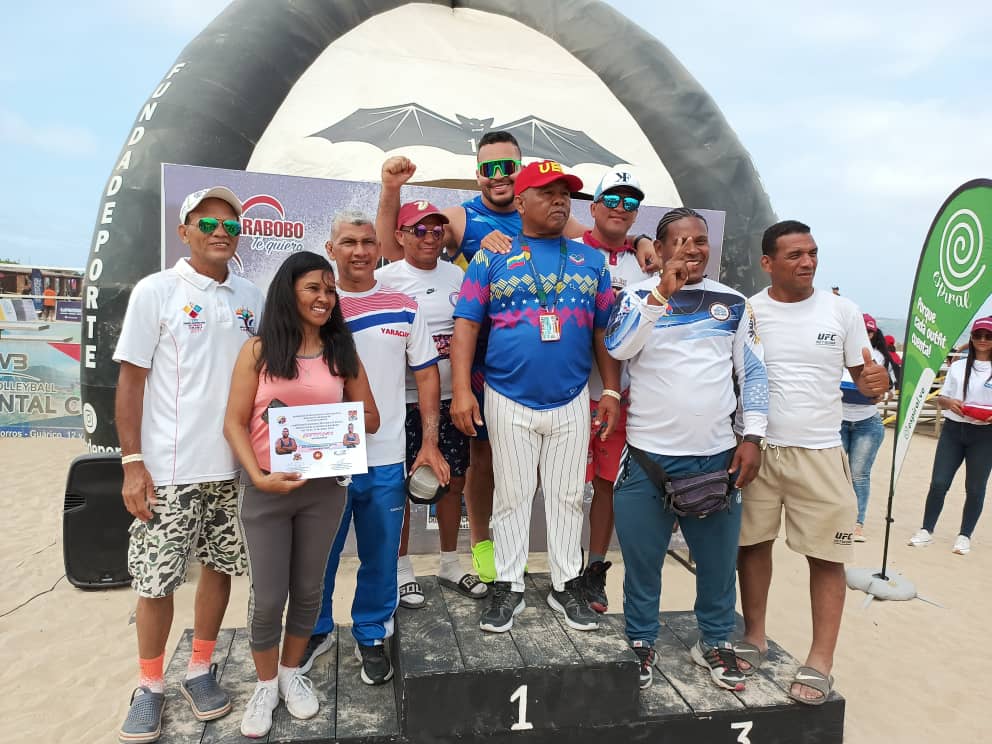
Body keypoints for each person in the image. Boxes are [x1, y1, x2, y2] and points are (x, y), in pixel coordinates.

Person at [113, 186, 265, 743]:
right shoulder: (157, 291)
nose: (221, 231)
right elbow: (130, 383)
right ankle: (150, 684)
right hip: (169, 470)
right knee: (156, 582)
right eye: (207, 223)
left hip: (233, 468)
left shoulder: (252, 295)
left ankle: (200, 669)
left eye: (231, 223)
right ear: (185, 232)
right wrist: (133, 463)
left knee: (220, 570)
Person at [450, 160, 620, 633]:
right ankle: (508, 585)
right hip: (506, 395)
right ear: (520, 202)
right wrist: (462, 389)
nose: (560, 200)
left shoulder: (591, 261)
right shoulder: (491, 256)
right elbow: (465, 326)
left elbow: (603, 332)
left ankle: (566, 585)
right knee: (512, 495)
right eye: (547, 192)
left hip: (570, 398)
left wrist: (609, 388)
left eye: (565, 193)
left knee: (568, 496)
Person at [606, 207, 768, 690]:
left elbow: (754, 371)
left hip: (716, 458)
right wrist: (660, 293)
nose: (693, 250)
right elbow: (617, 347)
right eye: (681, 241)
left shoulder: (734, 302)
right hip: (646, 460)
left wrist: (753, 437)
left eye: (700, 241)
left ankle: (715, 641)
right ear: (658, 250)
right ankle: (640, 640)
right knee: (642, 562)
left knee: (717, 565)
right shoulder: (635, 296)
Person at [223, 252, 379, 738]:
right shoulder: (258, 350)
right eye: (314, 287)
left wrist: (332, 430)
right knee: (268, 598)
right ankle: (265, 684)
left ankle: (292, 675)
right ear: (289, 291)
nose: (324, 298)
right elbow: (233, 424)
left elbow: (369, 418)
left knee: (309, 592)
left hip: (324, 493)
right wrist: (259, 475)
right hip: (267, 489)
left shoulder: (341, 353)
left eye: (330, 290)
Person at [736, 220, 890, 706]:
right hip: (758, 448)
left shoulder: (841, 310)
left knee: (828, 557)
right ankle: (754, 637)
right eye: (795, 255)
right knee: (752, 546)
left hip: (822, 452)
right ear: (768, 263)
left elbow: (862, 376)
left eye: (812, 253)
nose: (807, 263)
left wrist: (874, 383)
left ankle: (820, 660)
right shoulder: (747, 311)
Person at [301, 211, 448, 685]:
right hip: (325, 457)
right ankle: (316, 630)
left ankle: (371, 633)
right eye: (349, 242)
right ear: (331, 248)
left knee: (381, 556)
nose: (360, 250)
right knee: (316, 555)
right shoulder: (315, 306)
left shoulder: (403, 304)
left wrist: (428, 442)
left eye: (367, 241)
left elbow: (426, 374)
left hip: (385, 455)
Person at [377, 200, 488, 606]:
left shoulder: (459, 274)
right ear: (400, 235)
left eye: (436, 230)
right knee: (403, 486)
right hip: (402, 400)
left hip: (452, 398)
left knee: (453, 481)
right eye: (418, 230)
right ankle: (402, 568)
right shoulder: (385, 279)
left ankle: (448, 563)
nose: (429, 237)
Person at [578, 167, 656, 613]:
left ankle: (593, 571)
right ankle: (564, 567)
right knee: (563, 487)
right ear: (594, 208)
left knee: (606, 487)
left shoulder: (647, 263)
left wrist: (644, 243)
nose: (620, 210)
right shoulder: (569, 251)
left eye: (630, 204)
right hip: (571, 391)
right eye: (612, 200)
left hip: (624, 397)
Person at [909, 316, 992, 555]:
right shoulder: (957, 366)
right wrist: (947, 402)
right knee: (939, 482)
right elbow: (941, 398)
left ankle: (964, 535)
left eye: (988, 336)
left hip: (984, 434)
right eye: (978, 335)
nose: (983, 340)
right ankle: (926, 530)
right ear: (972, 338)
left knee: (975, 487)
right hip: (954, 430)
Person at [839, 314, 891, 542]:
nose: (866, 337)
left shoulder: (878, 357)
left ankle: (857, 523)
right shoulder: (837, 352)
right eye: (862, 331)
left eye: (870, 333)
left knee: (859, 475)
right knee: (835, 474)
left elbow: (887, 390)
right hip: (837, 420)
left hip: (866, 422)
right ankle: (835, 519)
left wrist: (879, 394)